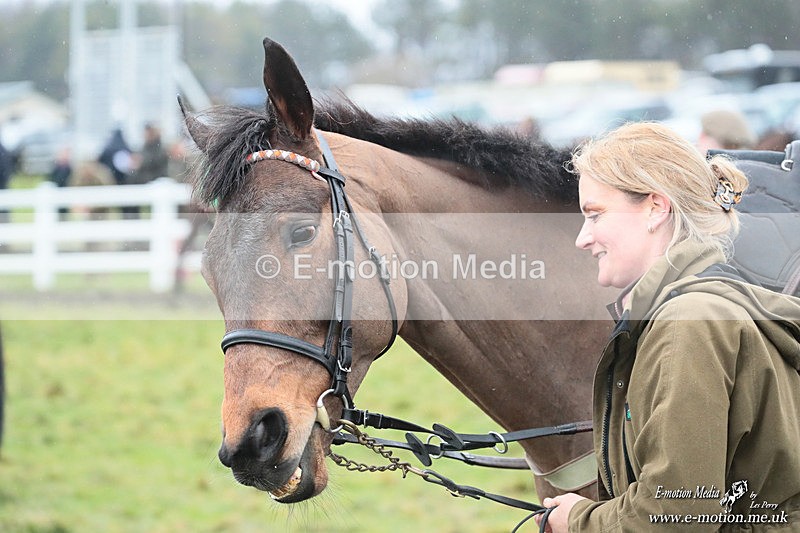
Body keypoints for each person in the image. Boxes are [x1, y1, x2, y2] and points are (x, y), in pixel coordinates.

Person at [536, 122, 800, 532]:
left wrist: (580, 521)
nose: (582, 238)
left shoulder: (687, 326)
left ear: (656, 208)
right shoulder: (700, 310)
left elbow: (676, 517)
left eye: (595, 214)